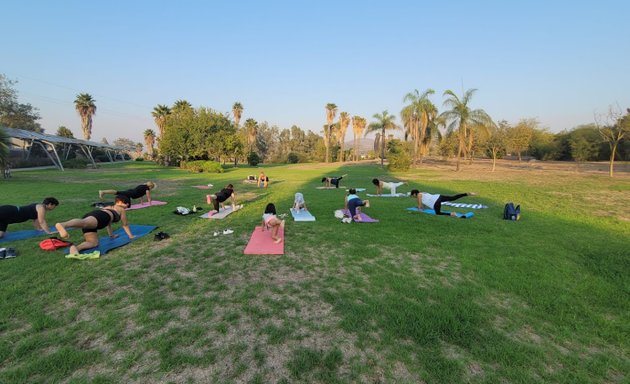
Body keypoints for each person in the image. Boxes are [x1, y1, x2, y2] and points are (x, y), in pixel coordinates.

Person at [55, 195, 134, 255]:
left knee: (93, 243)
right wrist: (130, 236)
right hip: (100, 217)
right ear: (119, 202)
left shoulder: (109, 207)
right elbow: (125, 224)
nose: (127, 205)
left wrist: (111, 235)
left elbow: (108, 224)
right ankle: (63, 225)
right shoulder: (121, 209)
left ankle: (75, 248)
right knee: (84, 222)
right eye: (126, 203)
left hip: (98, 217)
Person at [410, 189, 477, 216]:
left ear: (414, 194)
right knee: (452, 198)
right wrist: (422, 207)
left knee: (438, 213)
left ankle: (452, 214)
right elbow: (423, 204)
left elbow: (420, 205)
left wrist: (419, 210)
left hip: (435, 202)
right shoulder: (423, 193)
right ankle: (466, 194)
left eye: (412, 195)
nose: (413, 197)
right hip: (439, 197)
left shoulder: (418, 195)